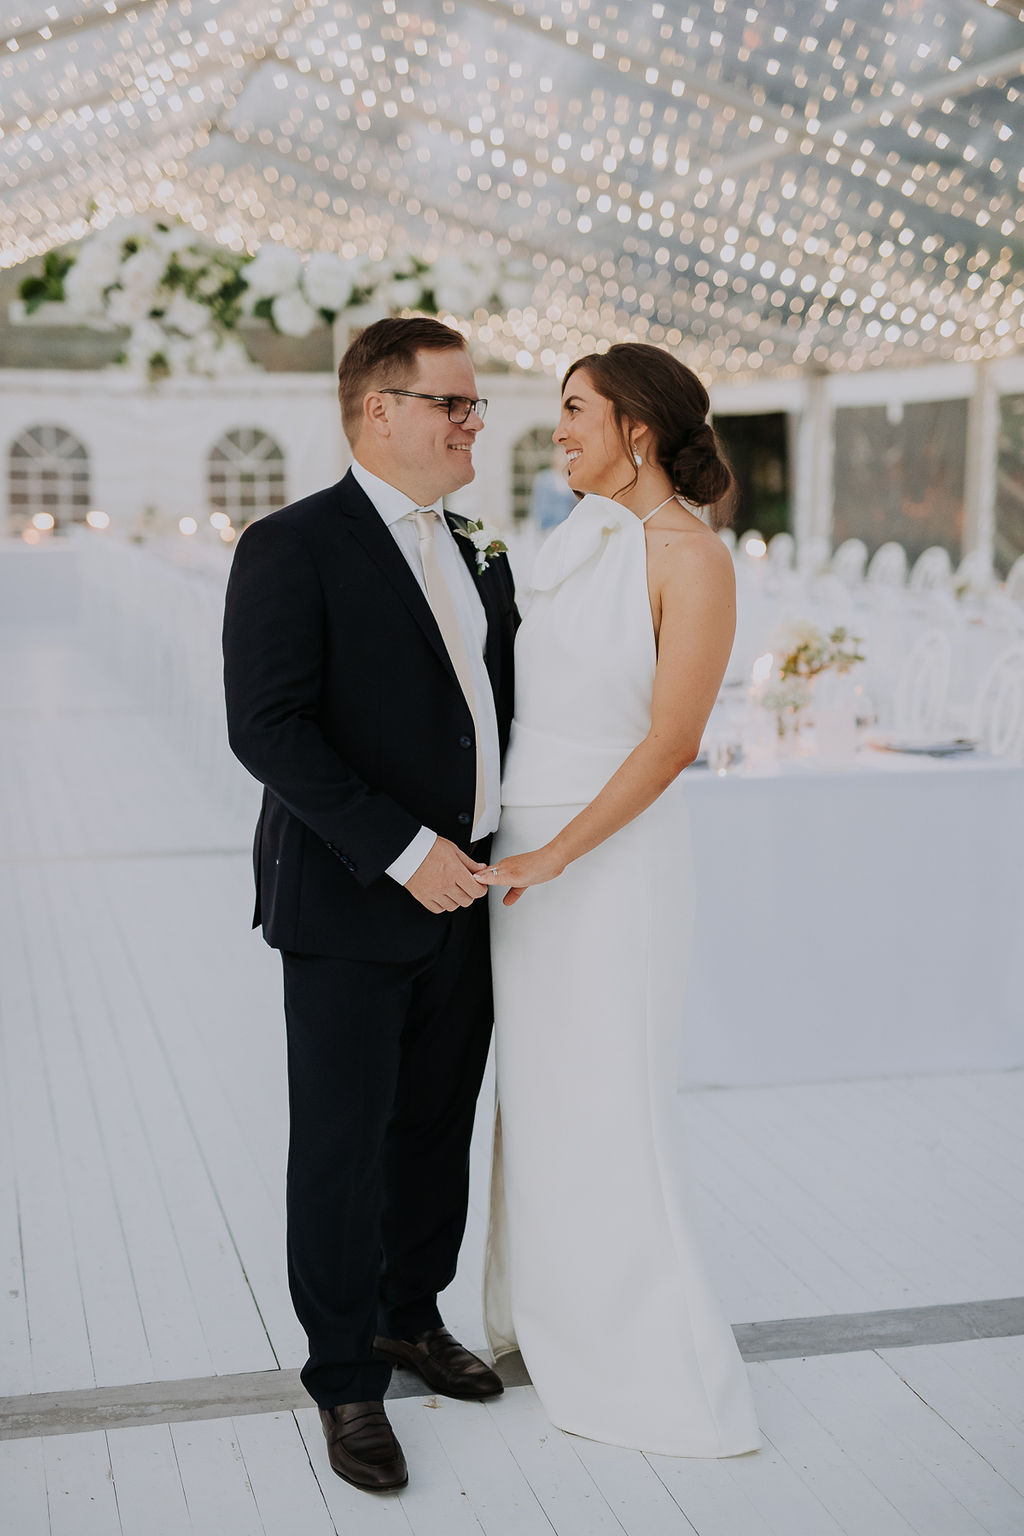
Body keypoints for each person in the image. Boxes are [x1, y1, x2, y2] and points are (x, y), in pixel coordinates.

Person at [223, 316, 518, 1493]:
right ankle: (345, 1375)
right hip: (355, 896)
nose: (472, 426)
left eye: (474, 406)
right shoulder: (291, 545)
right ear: (377, 409)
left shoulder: (475, 545)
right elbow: (268, 729)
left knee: (436, 1125)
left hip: (475, 892)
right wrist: (404, 850)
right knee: (342, 1146)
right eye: (452, 405)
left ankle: (410, 1314)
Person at [475, 343, 761, 1457]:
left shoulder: (690, 558)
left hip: (611, 860)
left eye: (574, 412)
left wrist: (557, 855)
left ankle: (643, 1362)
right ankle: (546, 1323)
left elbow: (671, 742)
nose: (558, 431)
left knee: (609, 1100)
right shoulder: (569, 535)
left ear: (637, 428)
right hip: (526, 851)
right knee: (539, 1099)